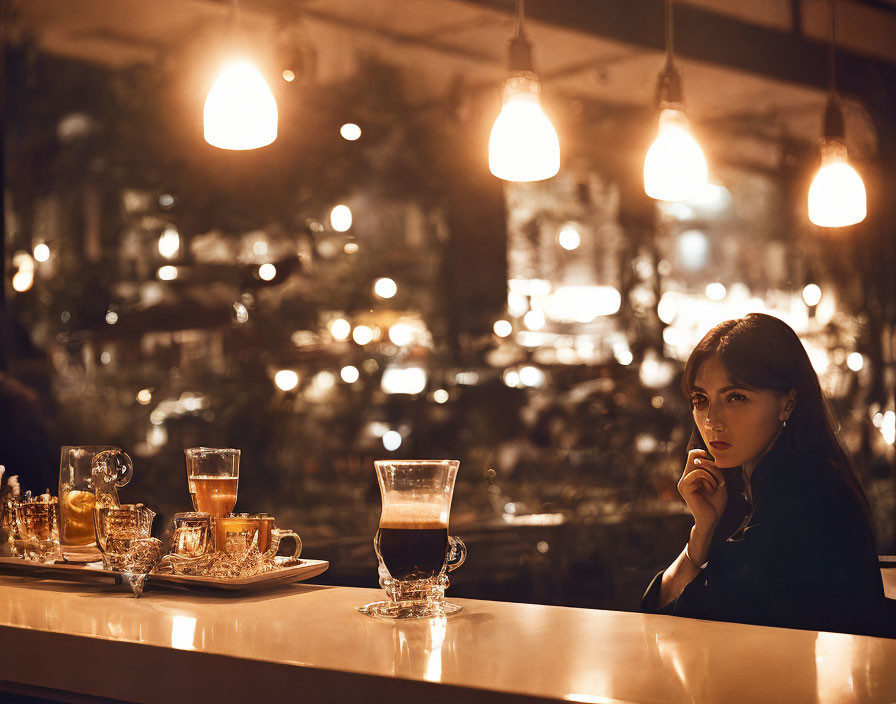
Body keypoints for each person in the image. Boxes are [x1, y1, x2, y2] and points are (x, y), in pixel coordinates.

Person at [641, 313, 893, 637]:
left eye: (735, 397)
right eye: (701, 399)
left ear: (787, 404)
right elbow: (656, 610)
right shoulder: (757, 485)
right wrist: (702, 531)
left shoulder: (801, 492)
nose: (711, 420)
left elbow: (688, 617)